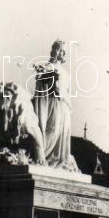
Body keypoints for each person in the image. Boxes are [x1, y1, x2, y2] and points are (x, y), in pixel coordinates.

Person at [33, 39, 78, 171]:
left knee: (62, 135)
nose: (64, 54)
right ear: (56, 51)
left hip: (65, 106)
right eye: (62, 51)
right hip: (53, 104)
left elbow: (67, 92)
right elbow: (41, 80)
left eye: (65, 52)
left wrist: (69, 107)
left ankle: (60, 159)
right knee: (52, 130)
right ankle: (42, 154)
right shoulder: (48, 66)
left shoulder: (66, 73)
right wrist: (46, 75)